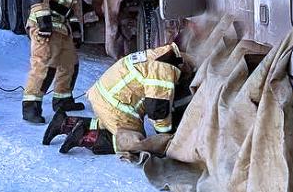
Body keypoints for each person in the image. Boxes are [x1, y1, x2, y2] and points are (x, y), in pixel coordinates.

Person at [42, 42, 192, 155]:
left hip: (103, 97)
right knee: (135, 141)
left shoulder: (159, 55)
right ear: (184, 63)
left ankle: (65, 123)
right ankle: (85, 137)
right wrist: (166, 136)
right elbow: (157, 110)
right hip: (117, 107)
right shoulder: (165, 69)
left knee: (111, 124)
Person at [22, 0, 97, 124]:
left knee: (70, 64)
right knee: (43, 66)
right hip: (44, 28)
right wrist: (44, 25)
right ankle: (30, 107)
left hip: (62, 29)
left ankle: (63, 100)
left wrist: (75, 30)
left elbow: (71, 8)